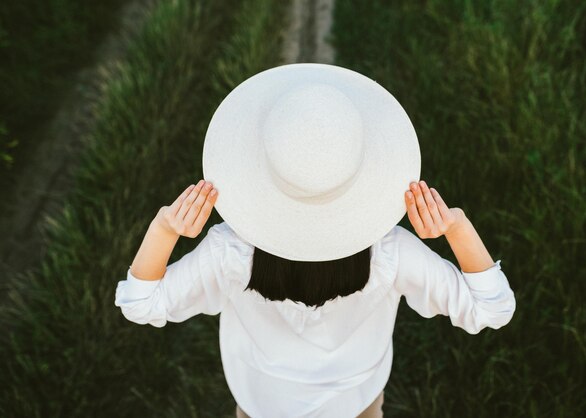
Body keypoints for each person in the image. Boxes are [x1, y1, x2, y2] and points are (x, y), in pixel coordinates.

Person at [114, 63, 516, 417]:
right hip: (356, 404)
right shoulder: (390, 252)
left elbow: (141, 303)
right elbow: (490, 308)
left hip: (261, 405)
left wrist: (165, 229)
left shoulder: (230, 252)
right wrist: (456, 227)